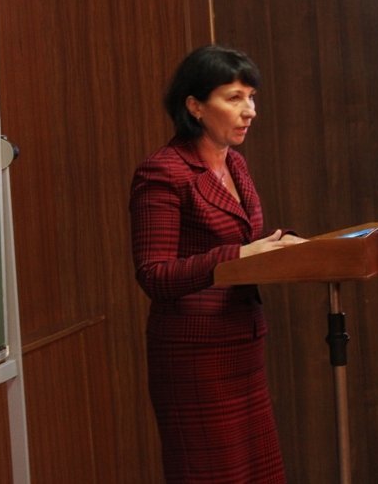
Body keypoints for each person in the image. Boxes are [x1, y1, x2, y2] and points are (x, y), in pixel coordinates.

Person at [129, 45, 305, 483]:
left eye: (251, 97)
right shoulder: (163, 172)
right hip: (194, 354)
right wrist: (241, 255)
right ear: (195, 106)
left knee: (257, 474)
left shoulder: (236, 164)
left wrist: (280, 248)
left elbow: (243, 242)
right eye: (234, 98)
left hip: (242, 343)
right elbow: (154, 274)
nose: (250, 111)